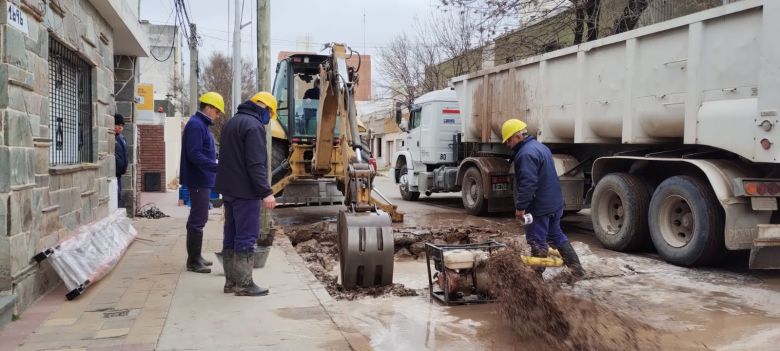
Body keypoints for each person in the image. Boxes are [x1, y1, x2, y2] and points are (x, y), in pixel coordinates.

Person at [501, 119, 585, 278]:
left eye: (508, 140)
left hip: (538, 208)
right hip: (555, 204)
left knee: (536, 241)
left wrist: (520, 208)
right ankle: (576, 269)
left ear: (518, 135)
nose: (507, 144)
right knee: (556, 235)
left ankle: (535, 280)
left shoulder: (525, 154)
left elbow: (528, 183)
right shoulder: (541, 147)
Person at [215, 91, 278, 296]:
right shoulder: (254, 126)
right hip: (246, 192)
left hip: (229, 190)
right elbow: (255, 164)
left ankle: (230, 282)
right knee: (246, 235)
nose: (269, 119)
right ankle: (244, 284)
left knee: (230, 234)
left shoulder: (232, 122)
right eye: (270, 113)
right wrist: (266, 192)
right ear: (265, 109)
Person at [180, 92, 224, 274]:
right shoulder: (196, 125)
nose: (218, 115)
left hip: (202, 178)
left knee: (200, 217)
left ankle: (196, 257)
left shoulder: (201, 125)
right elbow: (194, 154)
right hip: (198, 179)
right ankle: (193, 260)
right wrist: (215, 166)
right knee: (198, 219)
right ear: (209, 108)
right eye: (217, 111)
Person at [114, 114, 128, 206]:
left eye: (122, 126)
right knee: (115, 195)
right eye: (118, 125)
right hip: (113, 172)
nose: (120, 127)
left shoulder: (122, 138)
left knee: (118, 194)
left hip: (119, 173)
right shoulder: (111, 136)